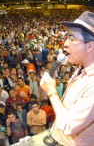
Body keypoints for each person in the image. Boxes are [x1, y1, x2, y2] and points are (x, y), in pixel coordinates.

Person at [40, 11, 94, 146]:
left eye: (72, 38)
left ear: (90, 46)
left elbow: (69, 125)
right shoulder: (82, 68)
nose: (65, 43)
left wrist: (51, 92)